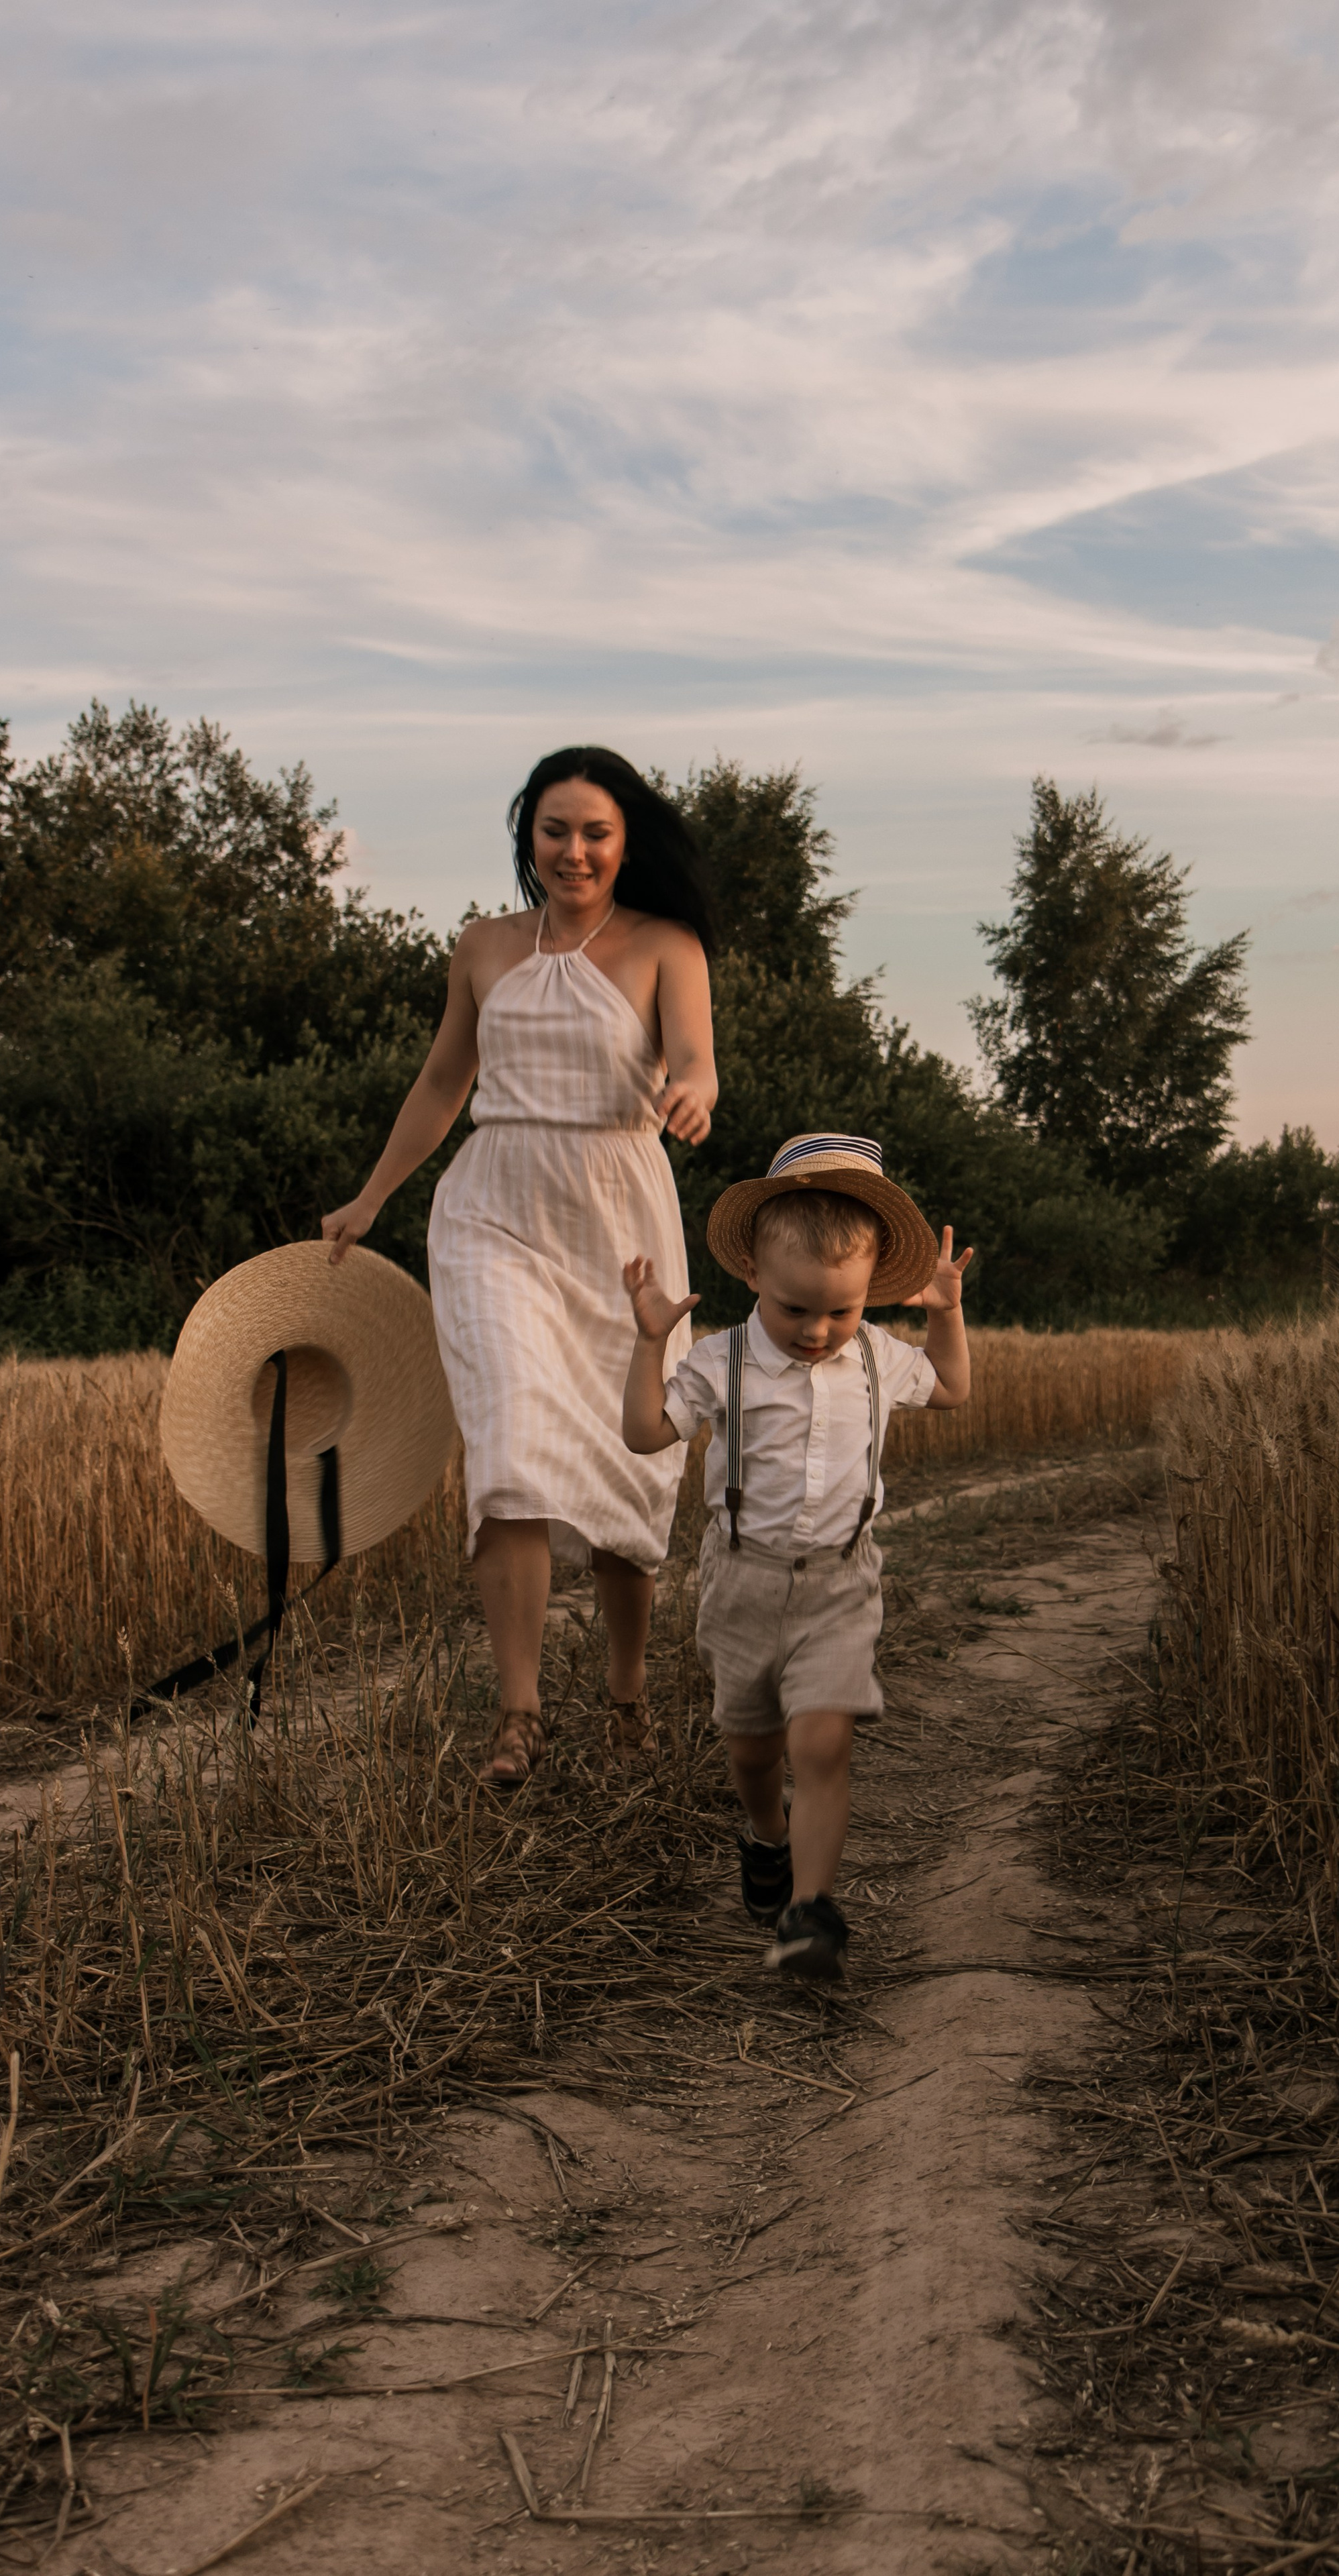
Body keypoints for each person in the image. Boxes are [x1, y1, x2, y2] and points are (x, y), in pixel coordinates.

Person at [321, 747, 716, 1786]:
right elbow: (444, 1080)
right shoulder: (484, 946)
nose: (574, 850)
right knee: (508, 1454)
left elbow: (698, 1059)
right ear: (527, 836)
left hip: (620, 1223)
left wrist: (695, 1094)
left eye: (595, 832)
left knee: (632, 1464)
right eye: (555, 830)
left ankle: (627, 1704)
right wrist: (371, 1197)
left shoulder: (666, 945)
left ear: (626, 841)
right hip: (494, 1209)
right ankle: (519, 1717)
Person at [621, 1134, 972, 1980]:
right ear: (751, 1275)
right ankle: (764, 1835)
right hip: (741, 1580)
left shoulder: (881, 1359)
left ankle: (812, 1912)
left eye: (841, 1312)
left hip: (842, 1581)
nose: (817, 1330)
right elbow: (642, 1434)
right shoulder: (720, 1362)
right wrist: (647, 1343)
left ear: (869, 1292)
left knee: (821, 1745)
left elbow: (954, 1388)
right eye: (794, 1310)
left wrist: (946, 1314)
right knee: (753, 1750)